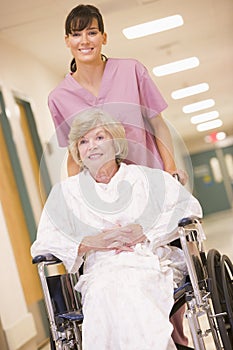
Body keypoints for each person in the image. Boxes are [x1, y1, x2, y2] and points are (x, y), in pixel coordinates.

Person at [31, 109, 202, 350]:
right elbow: (44, 243)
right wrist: (92, 242)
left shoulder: (148, 178)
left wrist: (146, 231)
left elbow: (188, 209)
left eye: (100, 137)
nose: (91, 146)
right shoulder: (65, 192)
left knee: (132, 286)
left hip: (149, 261)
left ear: (116, 142)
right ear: (77, 151)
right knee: (104, 292)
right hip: (100, 271)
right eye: (83, 141)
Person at [48, 4, 187, 184]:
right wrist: (77, 195)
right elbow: (74, 154)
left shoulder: (132, 71)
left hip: (151, 178)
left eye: (92, 32)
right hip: (107, 195)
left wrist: (170, 172)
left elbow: (158, 125)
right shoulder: (59, 98)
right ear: (67, 40)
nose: (84, 41)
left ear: (103, 37)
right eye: (76, 34)